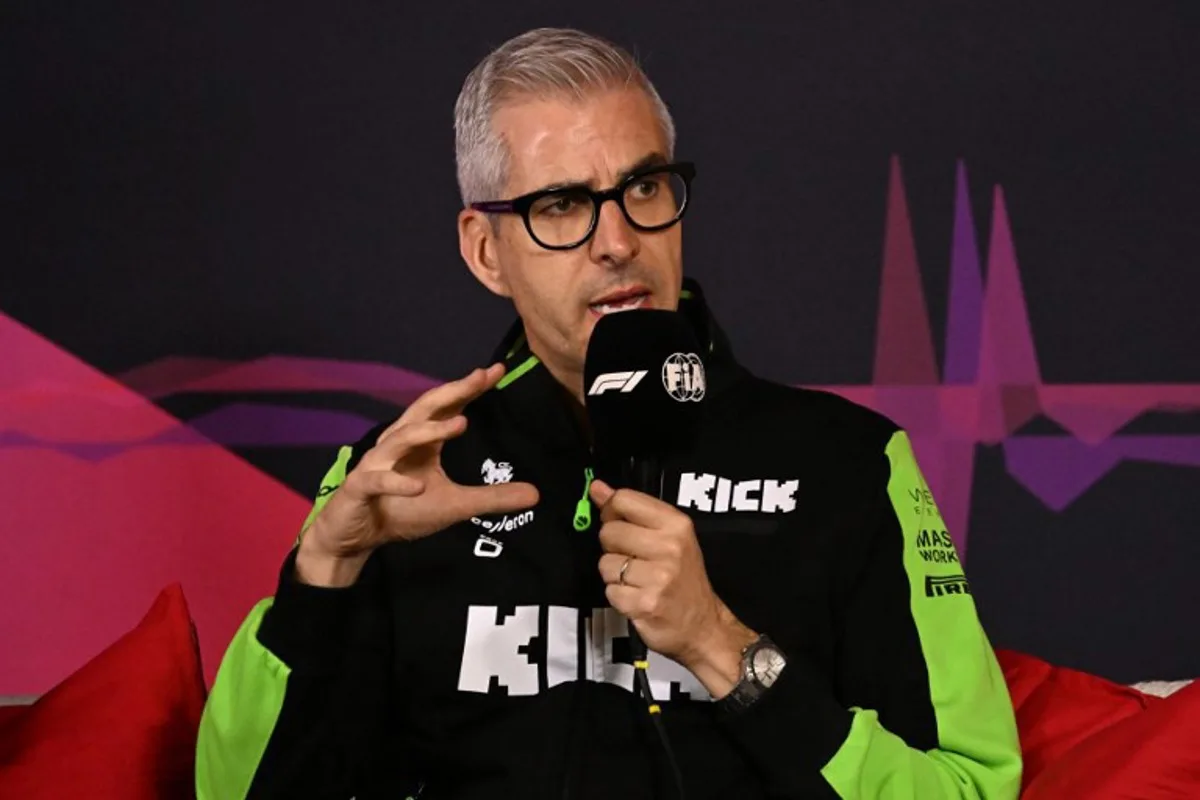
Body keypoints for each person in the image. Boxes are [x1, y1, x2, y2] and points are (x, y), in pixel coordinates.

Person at [195, 27, 1022, 800]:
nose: (618, 240)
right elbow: (228, 792)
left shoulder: (847, 460)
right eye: (561, 205)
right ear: (486, 251)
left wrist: (719, 645)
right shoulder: (406, 470)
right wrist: (322, 571)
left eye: (644, 187)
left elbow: (972, 785)